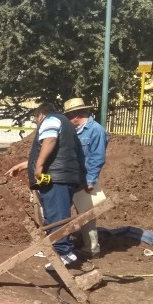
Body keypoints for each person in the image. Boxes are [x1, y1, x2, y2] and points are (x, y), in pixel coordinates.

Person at [6, 103, 84, 270]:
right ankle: (59, 251)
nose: (37, 124)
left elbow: (49, 141)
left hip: (57, 179)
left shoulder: (50, 120)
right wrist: (23, 165)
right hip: (63, 176)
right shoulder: (64, 123)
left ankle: (64, 254)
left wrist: (39, 167)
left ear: (40, 115)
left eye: (36, 121)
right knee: (54, 215)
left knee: (57, 215)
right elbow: (55, 153)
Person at [64, 97, 109, 258]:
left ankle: (92, 248)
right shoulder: (76, 130)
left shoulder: (96, 131)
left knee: (87, 214)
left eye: (69, 116)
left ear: (76, 115)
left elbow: (98, 158)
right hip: (72, 178)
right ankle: (63, 243)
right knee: (65, 211)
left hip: (84, 180)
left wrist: (90, 180)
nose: (68, 120)